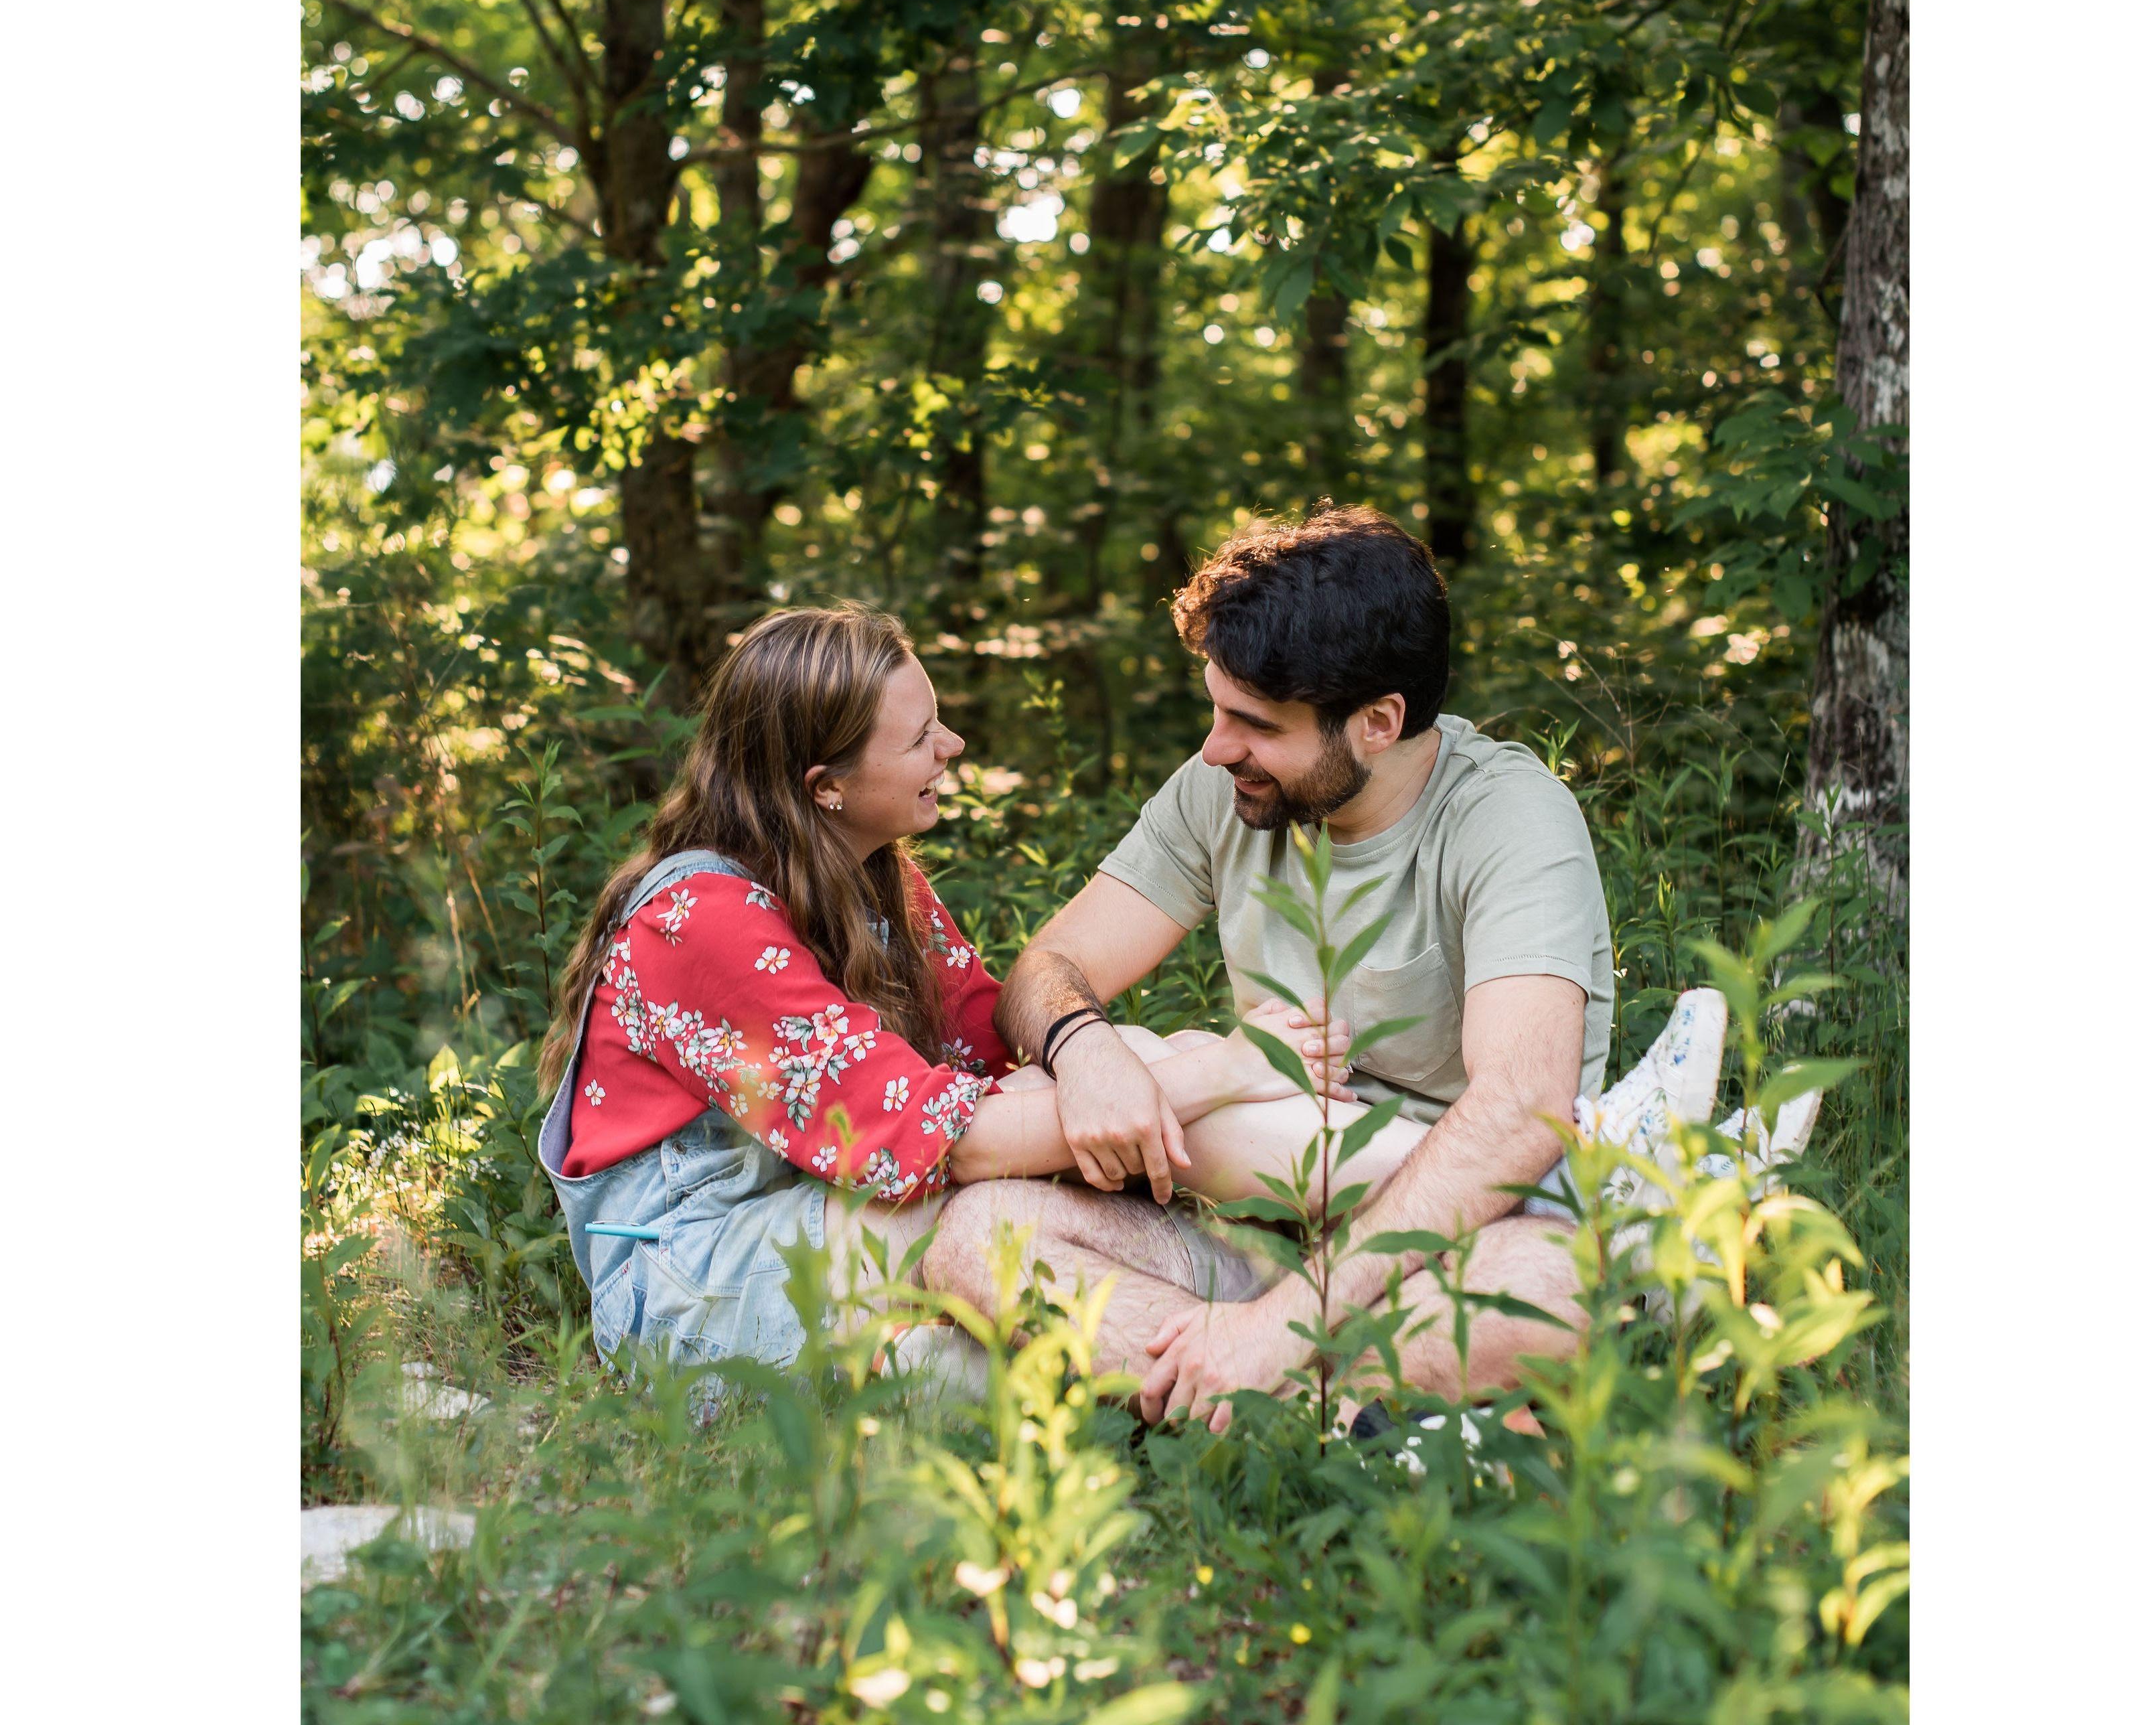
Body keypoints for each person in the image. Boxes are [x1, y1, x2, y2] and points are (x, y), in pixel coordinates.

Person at [917, 504, 1636, 1432]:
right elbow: (1045, 967)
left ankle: (1219, 1392)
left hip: (1454, 1240)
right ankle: (1353, 1417)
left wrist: (1283, 1326)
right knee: (982, 1237)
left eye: (1254, 724)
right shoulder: (1227, 785)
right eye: (1216, 709)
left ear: (1378, 723)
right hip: (1264, 1226)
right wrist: (1085, 1050)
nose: (1217, 748)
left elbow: (1516, 1112)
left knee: (1550, 1286)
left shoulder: (1510, 819)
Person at [534, 603, 1373, 1391]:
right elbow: (945, 1144)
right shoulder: (699, 922)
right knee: (996, 1264)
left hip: (828, 1221)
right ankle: (1304, 1329)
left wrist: (1139, 1063)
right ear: (826, 784)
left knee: (1126, 1071)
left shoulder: (870, 884)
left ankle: (1390, 1230)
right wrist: (1227, 1070)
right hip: (700, 1280)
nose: (954, 744)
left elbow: (1002, 1054)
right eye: (920, 738)